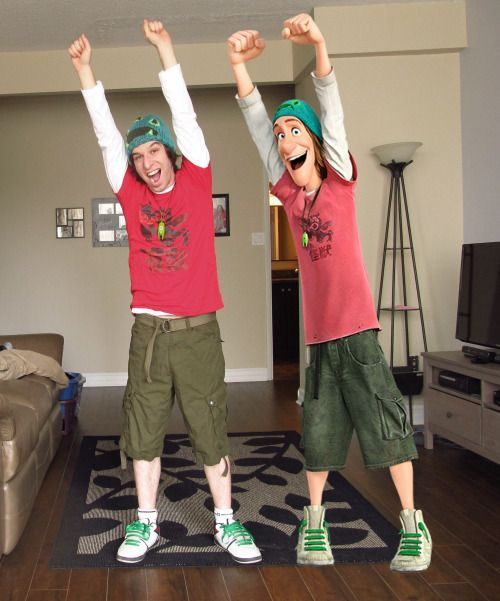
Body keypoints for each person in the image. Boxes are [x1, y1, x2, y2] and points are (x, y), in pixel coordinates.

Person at [227, 13, 432, 572]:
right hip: (319, 343)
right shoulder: (290, 200)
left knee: (386, 427)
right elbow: (254, 126)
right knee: (318, 434)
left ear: (315, 144)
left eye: (294, 132)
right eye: (281, 135)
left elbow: (332, 107)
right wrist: (239, 68)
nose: (284, 141)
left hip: (359, 334)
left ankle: (413, 522)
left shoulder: (340, 179)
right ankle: (314, 523)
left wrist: (319, 45)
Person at [68, 20, 261, 565]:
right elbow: (106, 133)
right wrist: (86, 71)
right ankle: (145, 524)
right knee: (143, 429)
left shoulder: (197, 175)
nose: (146, 162)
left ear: (171, 153)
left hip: (199, 332)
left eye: (154, 150)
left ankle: (226, 522)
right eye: (138, 156)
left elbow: (185, 111)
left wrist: (166, 48)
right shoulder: (129, 193)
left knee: (210, 427)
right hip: (149, 333)